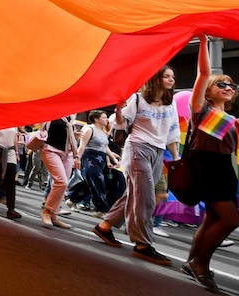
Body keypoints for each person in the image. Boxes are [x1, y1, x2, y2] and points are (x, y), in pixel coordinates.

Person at [180, 33, 239, 290]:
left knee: (212, 217)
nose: (228, 88)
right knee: (229, 219)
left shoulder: (232, 119)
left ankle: (192, 262)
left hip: (222, 167)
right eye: (221, 84)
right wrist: (202, 41)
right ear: (208, 92)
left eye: (231, 85)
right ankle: (200, 263)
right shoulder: (200, 109)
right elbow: (203, 73)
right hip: (207, 165)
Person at [93, 67, 180, 265]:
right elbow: (120, 124)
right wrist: (118, 110)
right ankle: (142, 244)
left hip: (158, 151)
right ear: (156, 79)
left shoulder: (170, 104)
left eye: (173, 77)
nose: (171, 79)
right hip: (137, 148)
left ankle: (105, 226)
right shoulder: (138, 99)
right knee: (145, 197)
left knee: (135, 194)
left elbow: (172, 132)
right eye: (167, 76)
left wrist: (175, 157)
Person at [73, 110, 121, 213]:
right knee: (97, 182)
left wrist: (113, 158)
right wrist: (77, 158)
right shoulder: (89, 129)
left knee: (90, 182)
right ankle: (101, 209)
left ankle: (72, 197)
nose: (107, 119)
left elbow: (105, 146)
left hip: (101, 159)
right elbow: (82, 145)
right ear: (96, 119)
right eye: (104, 117)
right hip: (90, 158)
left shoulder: (103, 131)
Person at [39, 116, 78, 228]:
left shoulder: (71, 116)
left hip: (67, 153)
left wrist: (76, 156)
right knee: (61, 181)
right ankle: (46, 212)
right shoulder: (52, 112)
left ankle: (53, 215)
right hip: (50, 149)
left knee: (63, 185)